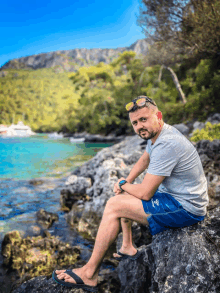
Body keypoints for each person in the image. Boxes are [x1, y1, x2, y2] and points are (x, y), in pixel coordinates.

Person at [53, 96, 209, 292]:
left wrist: (123, 184)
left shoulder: (168, 143)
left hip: (186, 208)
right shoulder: (159, 134)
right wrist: (127, 180)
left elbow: (145, 193)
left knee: (114, 205)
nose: (139, 126)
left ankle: (89, 273)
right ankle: (126, 245)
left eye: (143, 119)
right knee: (122, 198)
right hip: (177, 197)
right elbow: (145, 159)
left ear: (158, 116)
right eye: (135, 123)